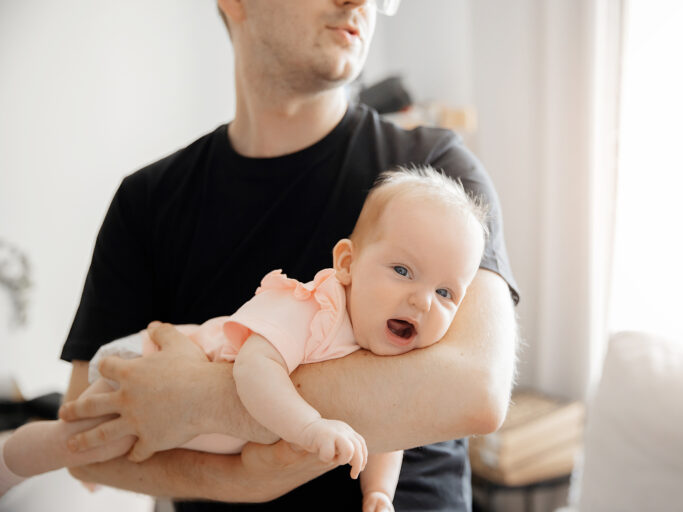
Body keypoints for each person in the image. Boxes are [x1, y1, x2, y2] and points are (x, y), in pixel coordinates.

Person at [42, 0, 519, 510]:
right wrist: (244, 480)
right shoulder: (147, 202)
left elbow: (476, 390)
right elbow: (83, 444)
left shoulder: (434, 176)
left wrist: (204, 400)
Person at [0, 167, 488, 512]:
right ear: (346, 264)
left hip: (192, 432)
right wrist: (310, 427)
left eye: (446, 292)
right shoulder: (314, 306)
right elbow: (254, 369)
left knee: (102, 454)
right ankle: (10, 460)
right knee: (74, 444)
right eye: (403, 271)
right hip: (152, 363)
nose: (423, 302)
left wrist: (378, 492)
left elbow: (389, 428)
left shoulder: (391, 351)